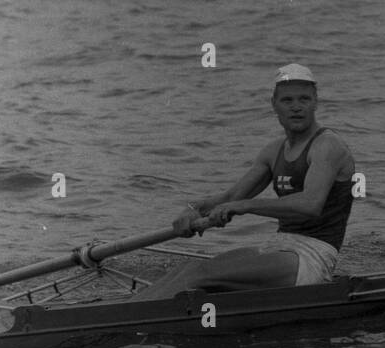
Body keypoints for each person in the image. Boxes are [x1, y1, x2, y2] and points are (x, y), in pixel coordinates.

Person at [131, 63, 355, 299]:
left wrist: (245, 206)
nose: (297, 107)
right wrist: (193, 208)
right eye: (287, 101)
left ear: (316, 102)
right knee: (187, 269)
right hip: (277, 247)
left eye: (304, 99)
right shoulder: (273, 150)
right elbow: (231, 198)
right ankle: (125, 311)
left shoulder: (327, 146)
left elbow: (310, 205)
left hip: (312, 257)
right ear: (274, 105)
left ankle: (125, 321)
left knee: (202, 273)